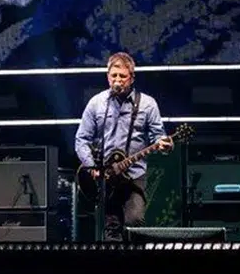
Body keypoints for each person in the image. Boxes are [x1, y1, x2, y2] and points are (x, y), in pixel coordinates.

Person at [74, 52, 173, 241]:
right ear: (108, 77)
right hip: (105, 177)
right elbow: (81, 139)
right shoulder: (96, 103)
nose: (118, 80)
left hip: (134, 175)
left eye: (123, 76)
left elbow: (158, 136)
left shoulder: (147, 104)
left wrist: (165, 144)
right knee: (111, 228)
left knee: (134, 222)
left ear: (132, 78)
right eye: (114, 75)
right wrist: (91, 166)